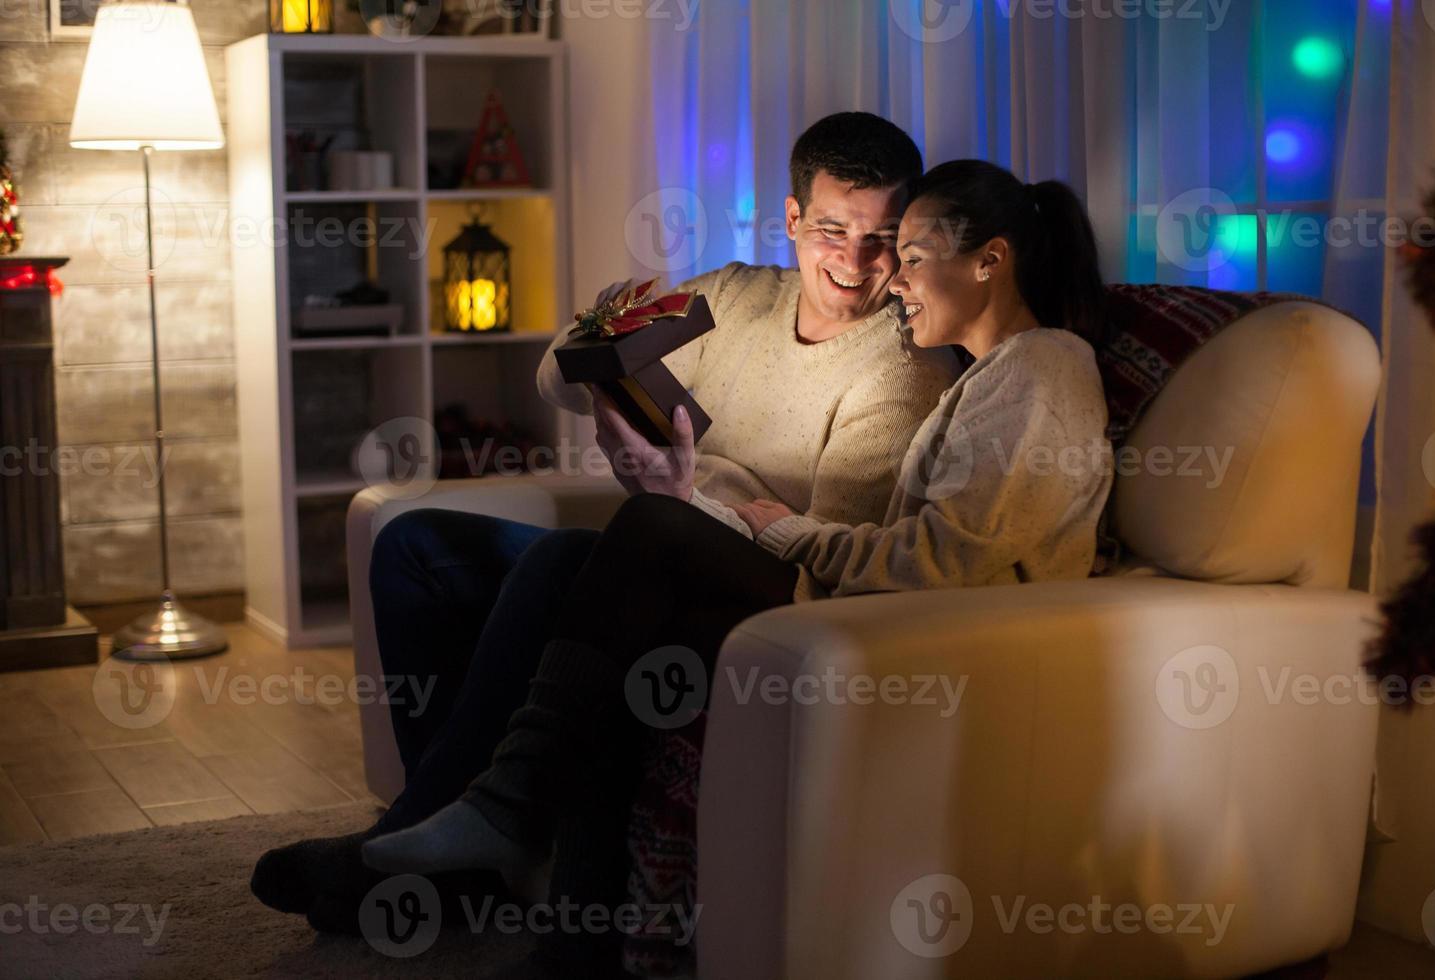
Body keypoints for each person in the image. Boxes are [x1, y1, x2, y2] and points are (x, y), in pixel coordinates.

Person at [361, 159, 1115, 979]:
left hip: (931, 639)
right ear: (793, 219)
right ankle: (572, 938)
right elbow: (932, 548)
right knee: (599, 589)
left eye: (906, 254)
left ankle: (508, 801)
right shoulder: (985, 375)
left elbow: (939, 558)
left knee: (646, 530)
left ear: (990, 261)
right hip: (873, 611)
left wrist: (782, 529)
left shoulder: (1041, 366)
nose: (887, 276)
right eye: (855, 239)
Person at [250, 112, 959, 929]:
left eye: (880, 238)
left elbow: (821, 565)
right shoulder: (735, 293)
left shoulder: (902, 365)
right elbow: (556, 377)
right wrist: (597, 337)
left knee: (560, 565)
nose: (856, 260)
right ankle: (451, 844)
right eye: (833, 228)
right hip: (649, 545)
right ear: (792, 218)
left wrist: (677, 497)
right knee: (417, 542)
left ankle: (407, 840)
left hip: (761, 594)